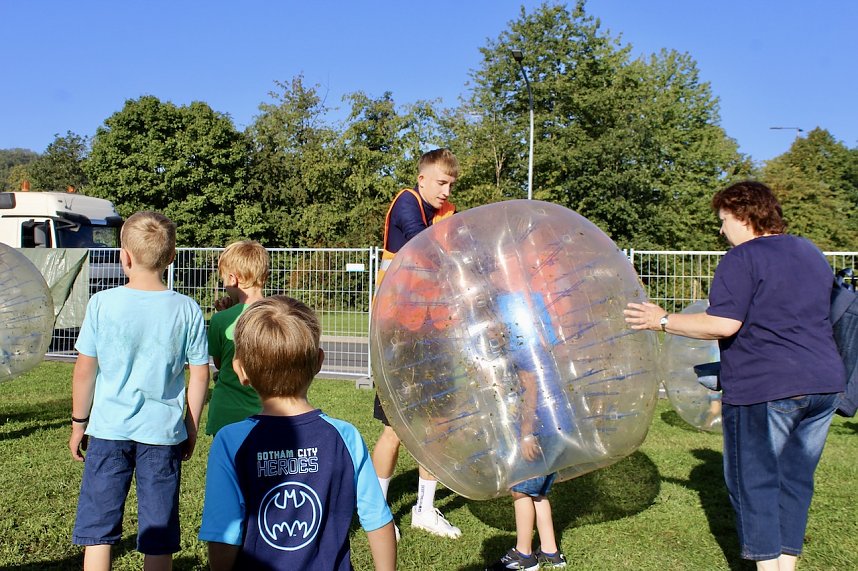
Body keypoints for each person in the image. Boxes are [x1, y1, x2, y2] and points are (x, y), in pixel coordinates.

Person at [624, 181, 845, 571]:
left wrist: (661, 320)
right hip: (824, 383)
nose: (721, 230)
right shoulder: (811, 253)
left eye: (724, 221)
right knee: (794, 480)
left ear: (743, 216)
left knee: (754, 482)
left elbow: (723, 324)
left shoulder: (742, 258)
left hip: (766, 388)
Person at [199, 296, 396, 570]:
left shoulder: (231, 441)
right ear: (318, 361)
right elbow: (378, 519)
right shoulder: (346, 436)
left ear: (240, 370)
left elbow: (223, 534)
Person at [68, 211, 210, 571]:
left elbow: (85, 370)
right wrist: (190, 426)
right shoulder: (187, 309)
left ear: (124, 256)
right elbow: (199, 374)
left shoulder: (102, 303)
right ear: (172, 257)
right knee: (157, 532)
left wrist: (78, 422)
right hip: (162, 435)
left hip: (107, 431)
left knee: (98, 532)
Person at [372, 148, 461, 539]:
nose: (445, 191)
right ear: (422, 178)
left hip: (434, 331)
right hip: (400, 331)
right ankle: (377, 512)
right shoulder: (407, 203)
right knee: (396, 427)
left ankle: (424, 509)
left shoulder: (446, 214)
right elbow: (423, 242)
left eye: (451, 185)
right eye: (440, 182)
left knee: (438, 423)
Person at [205, 240, 269, 436]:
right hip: (268, 412)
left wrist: (226, 314)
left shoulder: (220, 320)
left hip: (228, 414)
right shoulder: (277, 315)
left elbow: (219, 362)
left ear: (233, 279)